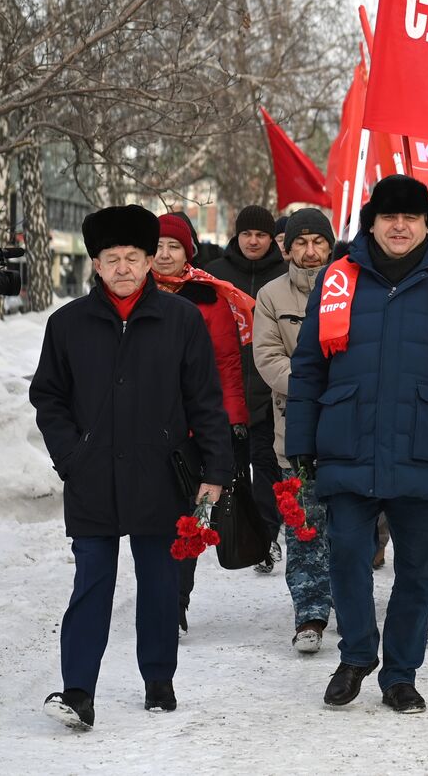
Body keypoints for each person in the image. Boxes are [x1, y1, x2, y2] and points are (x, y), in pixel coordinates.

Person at [286, 175, 428, 715]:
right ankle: (357, 654)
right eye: (388, 217)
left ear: (427, 224)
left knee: (417, 570)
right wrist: (302, 438)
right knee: (347, 555)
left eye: (410, 217)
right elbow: (308, 365)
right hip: (349, 439)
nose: (399, 226)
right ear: (372, 223)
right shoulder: (338, 277)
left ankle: (401, 674)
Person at [30, 205, 233, 730]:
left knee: (161, 582)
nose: (122, 268)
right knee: (91, 582)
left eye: (133, 257)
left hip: (160, 473)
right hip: (92, 476)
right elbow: (48, 397)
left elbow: (205, 400)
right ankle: (78, 690)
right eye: (111, 258)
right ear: (96, 265)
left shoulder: (181, 320)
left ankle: (159, 680)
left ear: (148, 262)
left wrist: (215, 470)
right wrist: (71, 456)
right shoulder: (67, 324)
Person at [152, 212, 253, 633]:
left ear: (188, 252)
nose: (164, 254)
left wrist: (233, 421)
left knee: (188, 517)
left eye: (173, 246)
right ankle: (157, 594)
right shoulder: (129, 292)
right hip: (143, 426)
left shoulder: (210, 298)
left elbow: (227, 364)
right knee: (151, 520)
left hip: (193, 428)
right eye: (157, 246)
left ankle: (175, 602)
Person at [254, 208, 335, 653]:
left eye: (318, 242)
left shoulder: (349, 288)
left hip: (347, 432)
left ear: (330, 245)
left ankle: (349, 603)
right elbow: (268, 358)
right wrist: (316, 385)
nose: (310, 250)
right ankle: (310, 614)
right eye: (301, 242)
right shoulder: (271, 295)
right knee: (302, 527)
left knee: (348, 528)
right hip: (294, 431)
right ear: (287, 248)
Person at [206, 205, 288, 573]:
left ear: (271, 238)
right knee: (233, 471)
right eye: (246, 234)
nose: (253, 241)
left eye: (261, 235)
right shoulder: (215, 275)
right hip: (227, 393)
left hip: (271, 395)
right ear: (236, 236)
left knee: (267, 470)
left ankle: (268, 537)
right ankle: (235, 534)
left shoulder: (284, 274)